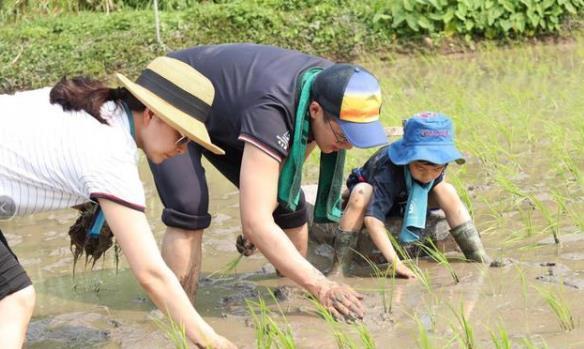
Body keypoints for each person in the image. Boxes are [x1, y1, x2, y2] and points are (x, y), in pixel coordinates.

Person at [0, 57, 235, 349]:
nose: (183, 150)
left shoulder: (99, 109)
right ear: (150, 115)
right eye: (182, 136)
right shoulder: (110, 154)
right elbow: (151, 274)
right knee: (13, 300)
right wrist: (212, 341)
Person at [147, 43, 387, 320]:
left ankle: (290, 298)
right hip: (175, 93)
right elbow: (256, 221)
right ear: (315, 110)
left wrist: (261, 219)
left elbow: (287, 174)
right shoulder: (273, 110)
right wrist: (322, 285)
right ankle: (178, 318)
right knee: (189, 206)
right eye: (344, 136)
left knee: (289, 205)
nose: (347, 147)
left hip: (231, 112)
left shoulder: (329, 85)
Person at [332, 112, 492, 278]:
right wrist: (396, 264)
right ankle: (339, 269)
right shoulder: (388, 172)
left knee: (447, 190)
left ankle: (477, 254)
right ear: (407, 159)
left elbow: (439, 184)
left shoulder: (437, 167)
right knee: (361, 193)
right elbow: (372, 220)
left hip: (409, 196)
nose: (428, 176)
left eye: (436, 169)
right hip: (378, 193)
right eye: (421, 168)